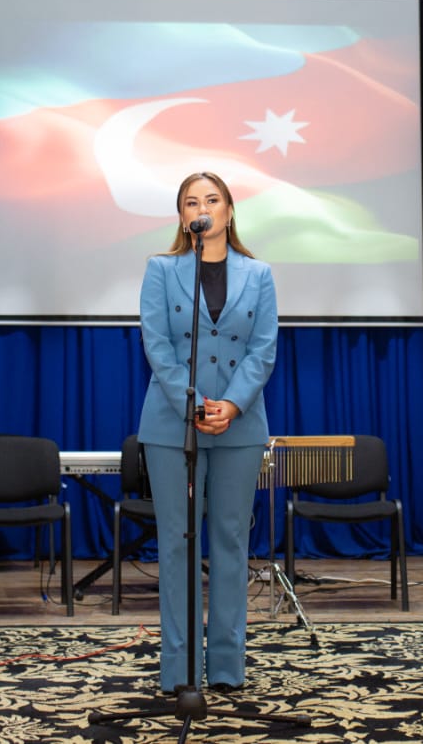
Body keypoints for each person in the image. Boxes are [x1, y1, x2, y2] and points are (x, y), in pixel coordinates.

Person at [137, 171, 278, 695]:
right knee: (177, 543)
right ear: (183, 218)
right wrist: (194, 404)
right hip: (173, 424)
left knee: (230, 543)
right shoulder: (161, 269)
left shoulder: (259, 273)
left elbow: (263, 348)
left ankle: (225, 668)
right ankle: (179, 670)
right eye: (192, 202)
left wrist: (232, 405)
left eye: (212, 200)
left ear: (229, 211)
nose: (203, 208)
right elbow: (157, 344)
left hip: (240, 424)